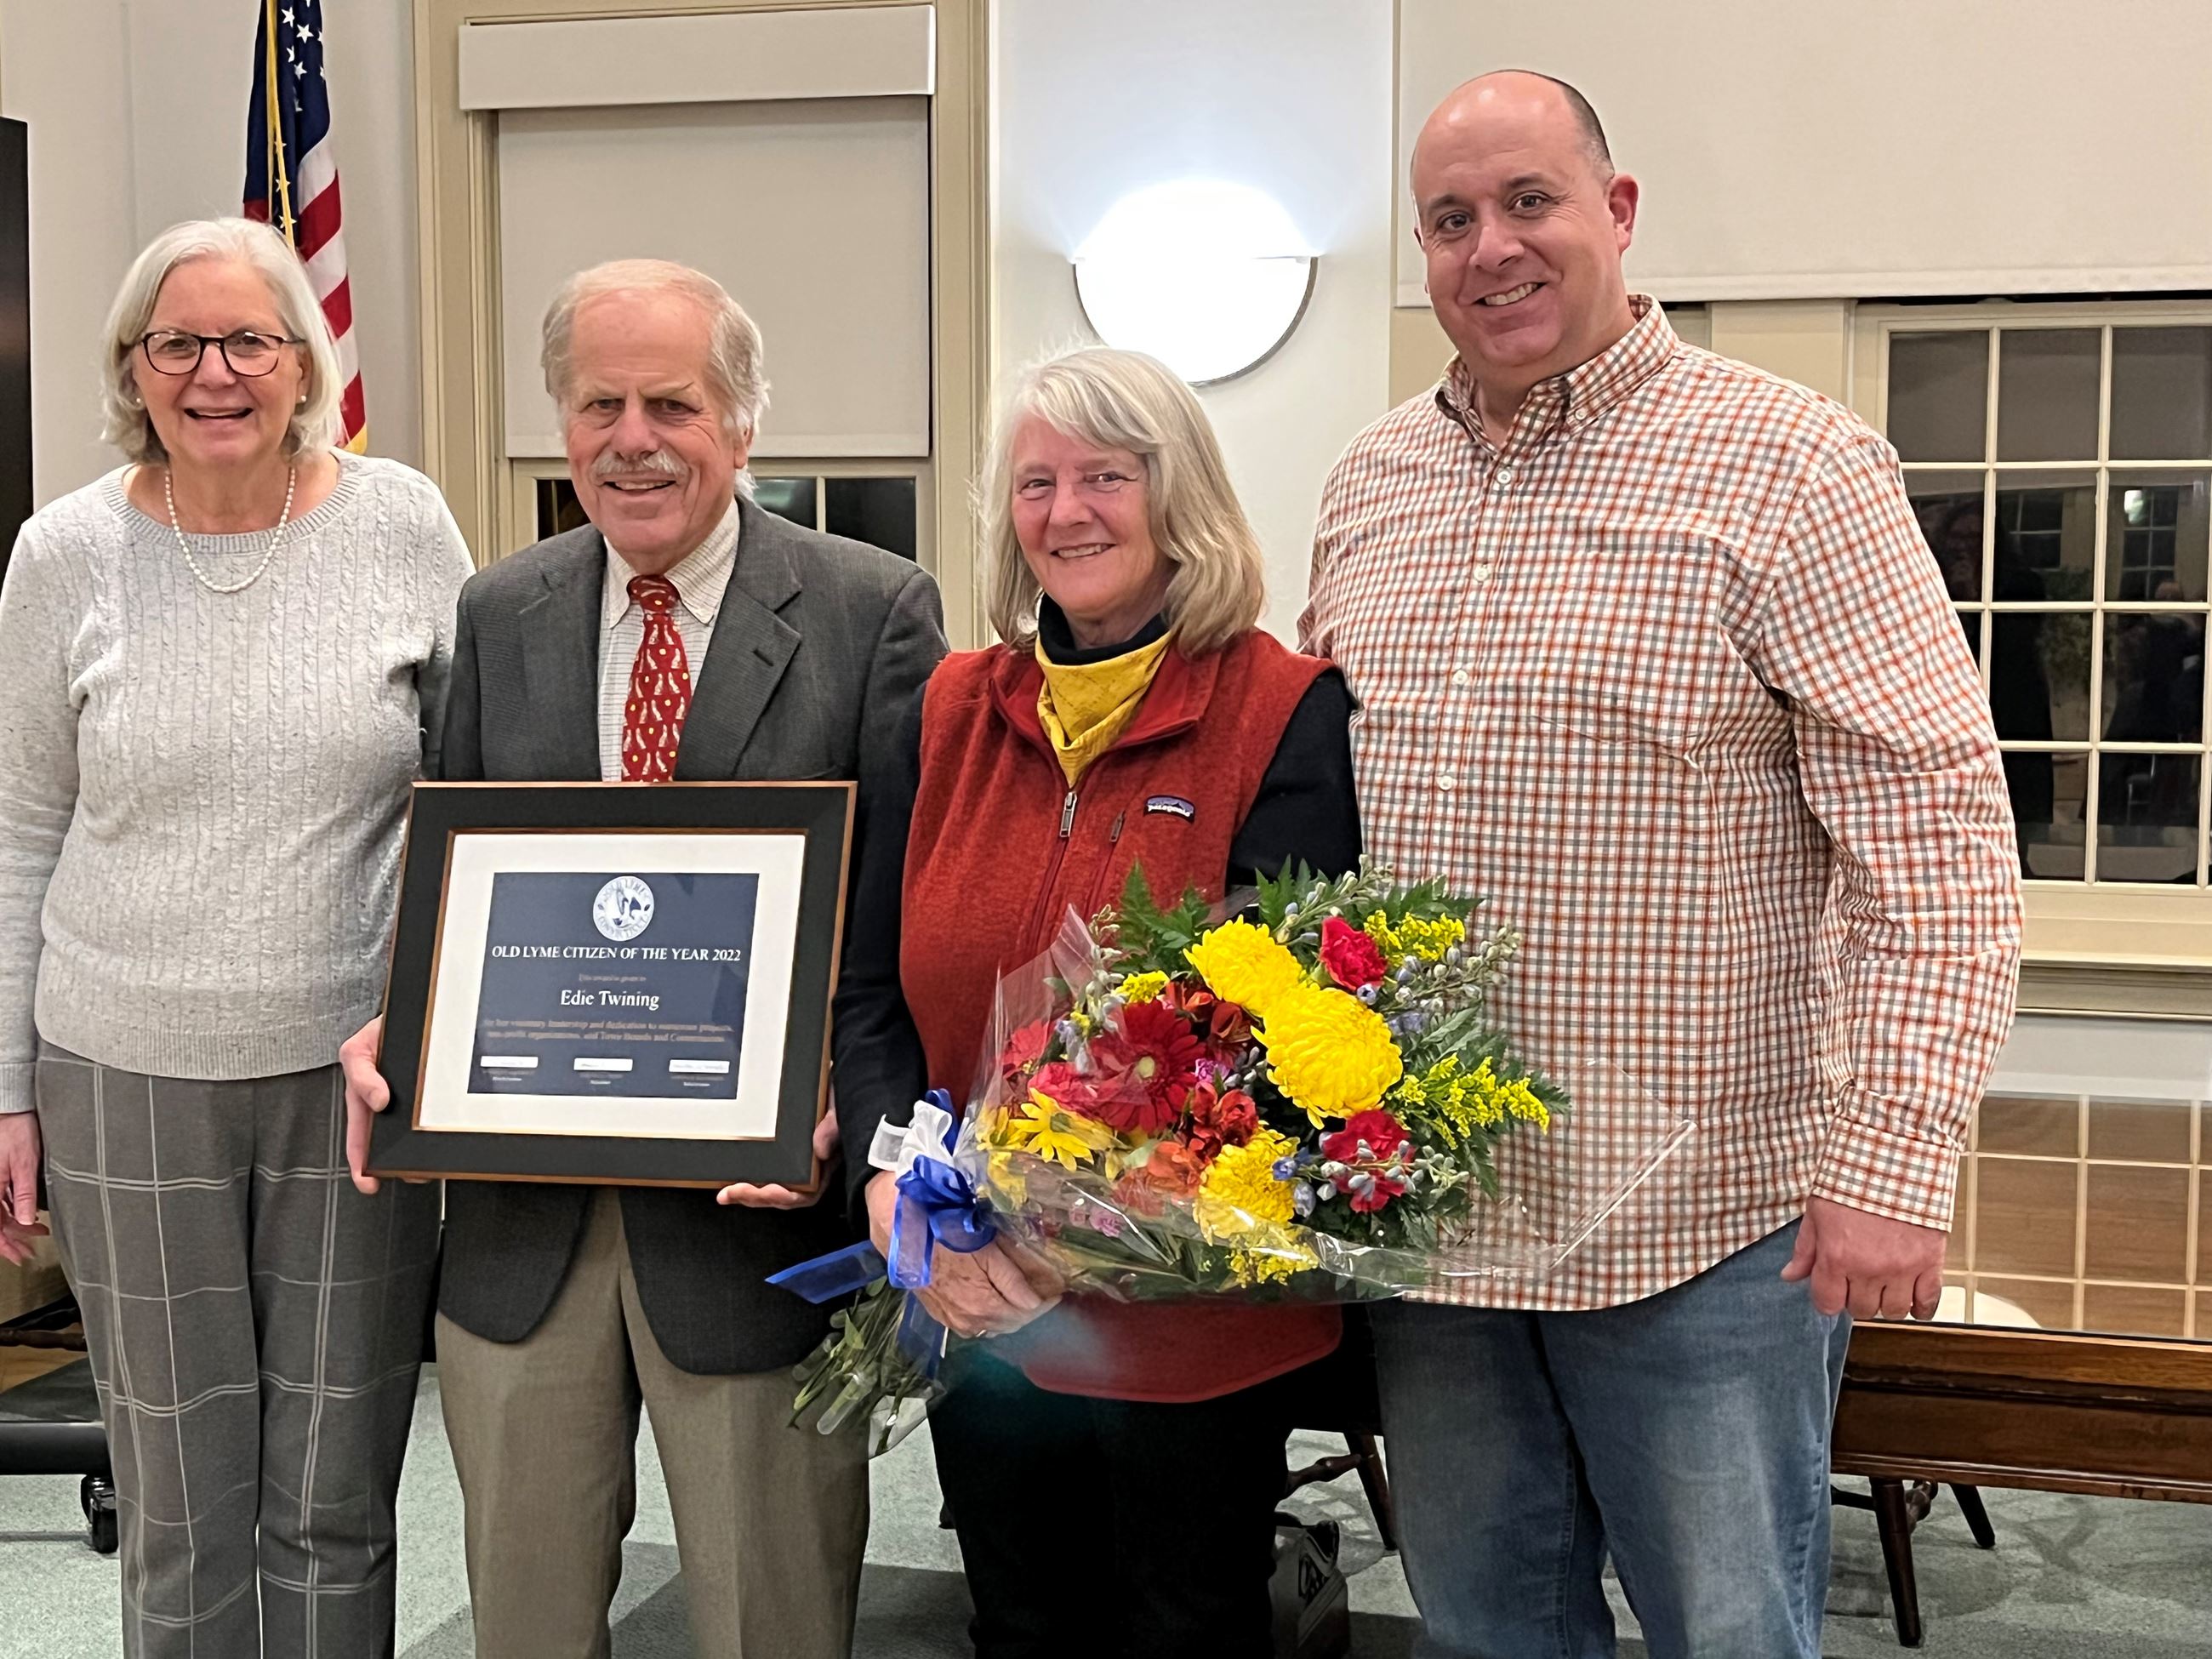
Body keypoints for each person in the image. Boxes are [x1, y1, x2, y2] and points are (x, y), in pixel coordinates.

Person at [1301, 73, 2022, 1659]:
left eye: (1530, 202)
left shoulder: (1797, 469)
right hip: (1439, 1220)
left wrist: (1893, 1158)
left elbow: (1940, 839)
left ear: (1617, 214)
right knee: (1485, 1624)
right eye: (1450, 219)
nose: (1491, 247)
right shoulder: (1368, 488)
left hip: (1702, 1216)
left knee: (1728, 1631)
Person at [339, 259, 944, 1659]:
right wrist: (404, 1029)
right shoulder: (501, 612)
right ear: (561, 423)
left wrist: (850, 1109)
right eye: (598, 401)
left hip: (755, 1217)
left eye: (671, 400)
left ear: (741, 422)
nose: (633, 436)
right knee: (529, 1624)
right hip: (520, 1232)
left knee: (767, 1623)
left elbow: (901, 929)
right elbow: (461, 894)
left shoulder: (875, 611)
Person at [833, 345, 1362, 1659]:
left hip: (1183, 1321)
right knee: (1019, 1620)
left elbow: (1274, 1044)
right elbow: (866, 985)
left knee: (1183, 1626)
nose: (1067, 511)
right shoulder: (950, 708)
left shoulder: (1283, 710)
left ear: (1175, 492)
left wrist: (1074, 1234)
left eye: (1105, 477)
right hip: (975, 1294)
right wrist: (906, 1193)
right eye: (1036, 483)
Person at [0, 216, 472, 1656]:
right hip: (121, 1076)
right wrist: (6, 1085)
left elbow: (469, 799)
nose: (216, 372)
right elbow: (18, 826)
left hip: (357, 1081)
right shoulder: (64, 551)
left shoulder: (403, 523)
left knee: (336, 1493)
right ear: (133, 367)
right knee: (180, 1499)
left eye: (250, 339)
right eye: (178, 343)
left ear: (303, 360)